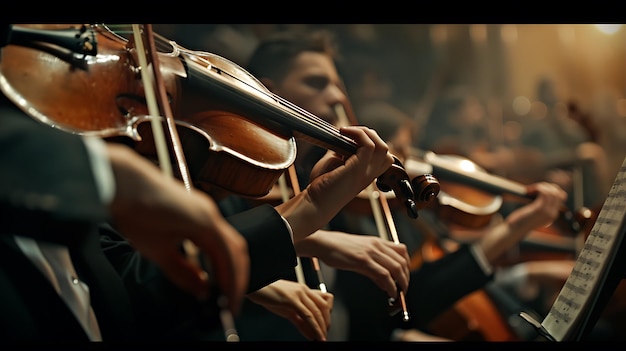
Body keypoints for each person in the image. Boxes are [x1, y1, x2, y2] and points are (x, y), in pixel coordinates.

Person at [0, 23, 396, 341]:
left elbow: (143, 294)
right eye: (316, 82)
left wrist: (312, 207)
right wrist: (105, 172)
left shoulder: (84, 221)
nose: (336, 98)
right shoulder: (101, 176)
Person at [243, 28, 572, 341]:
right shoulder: (241, 181)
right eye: (316, 83)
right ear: (271, 91)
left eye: (338, 84)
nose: (337, 97)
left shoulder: (328, 185)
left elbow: (397, 306)